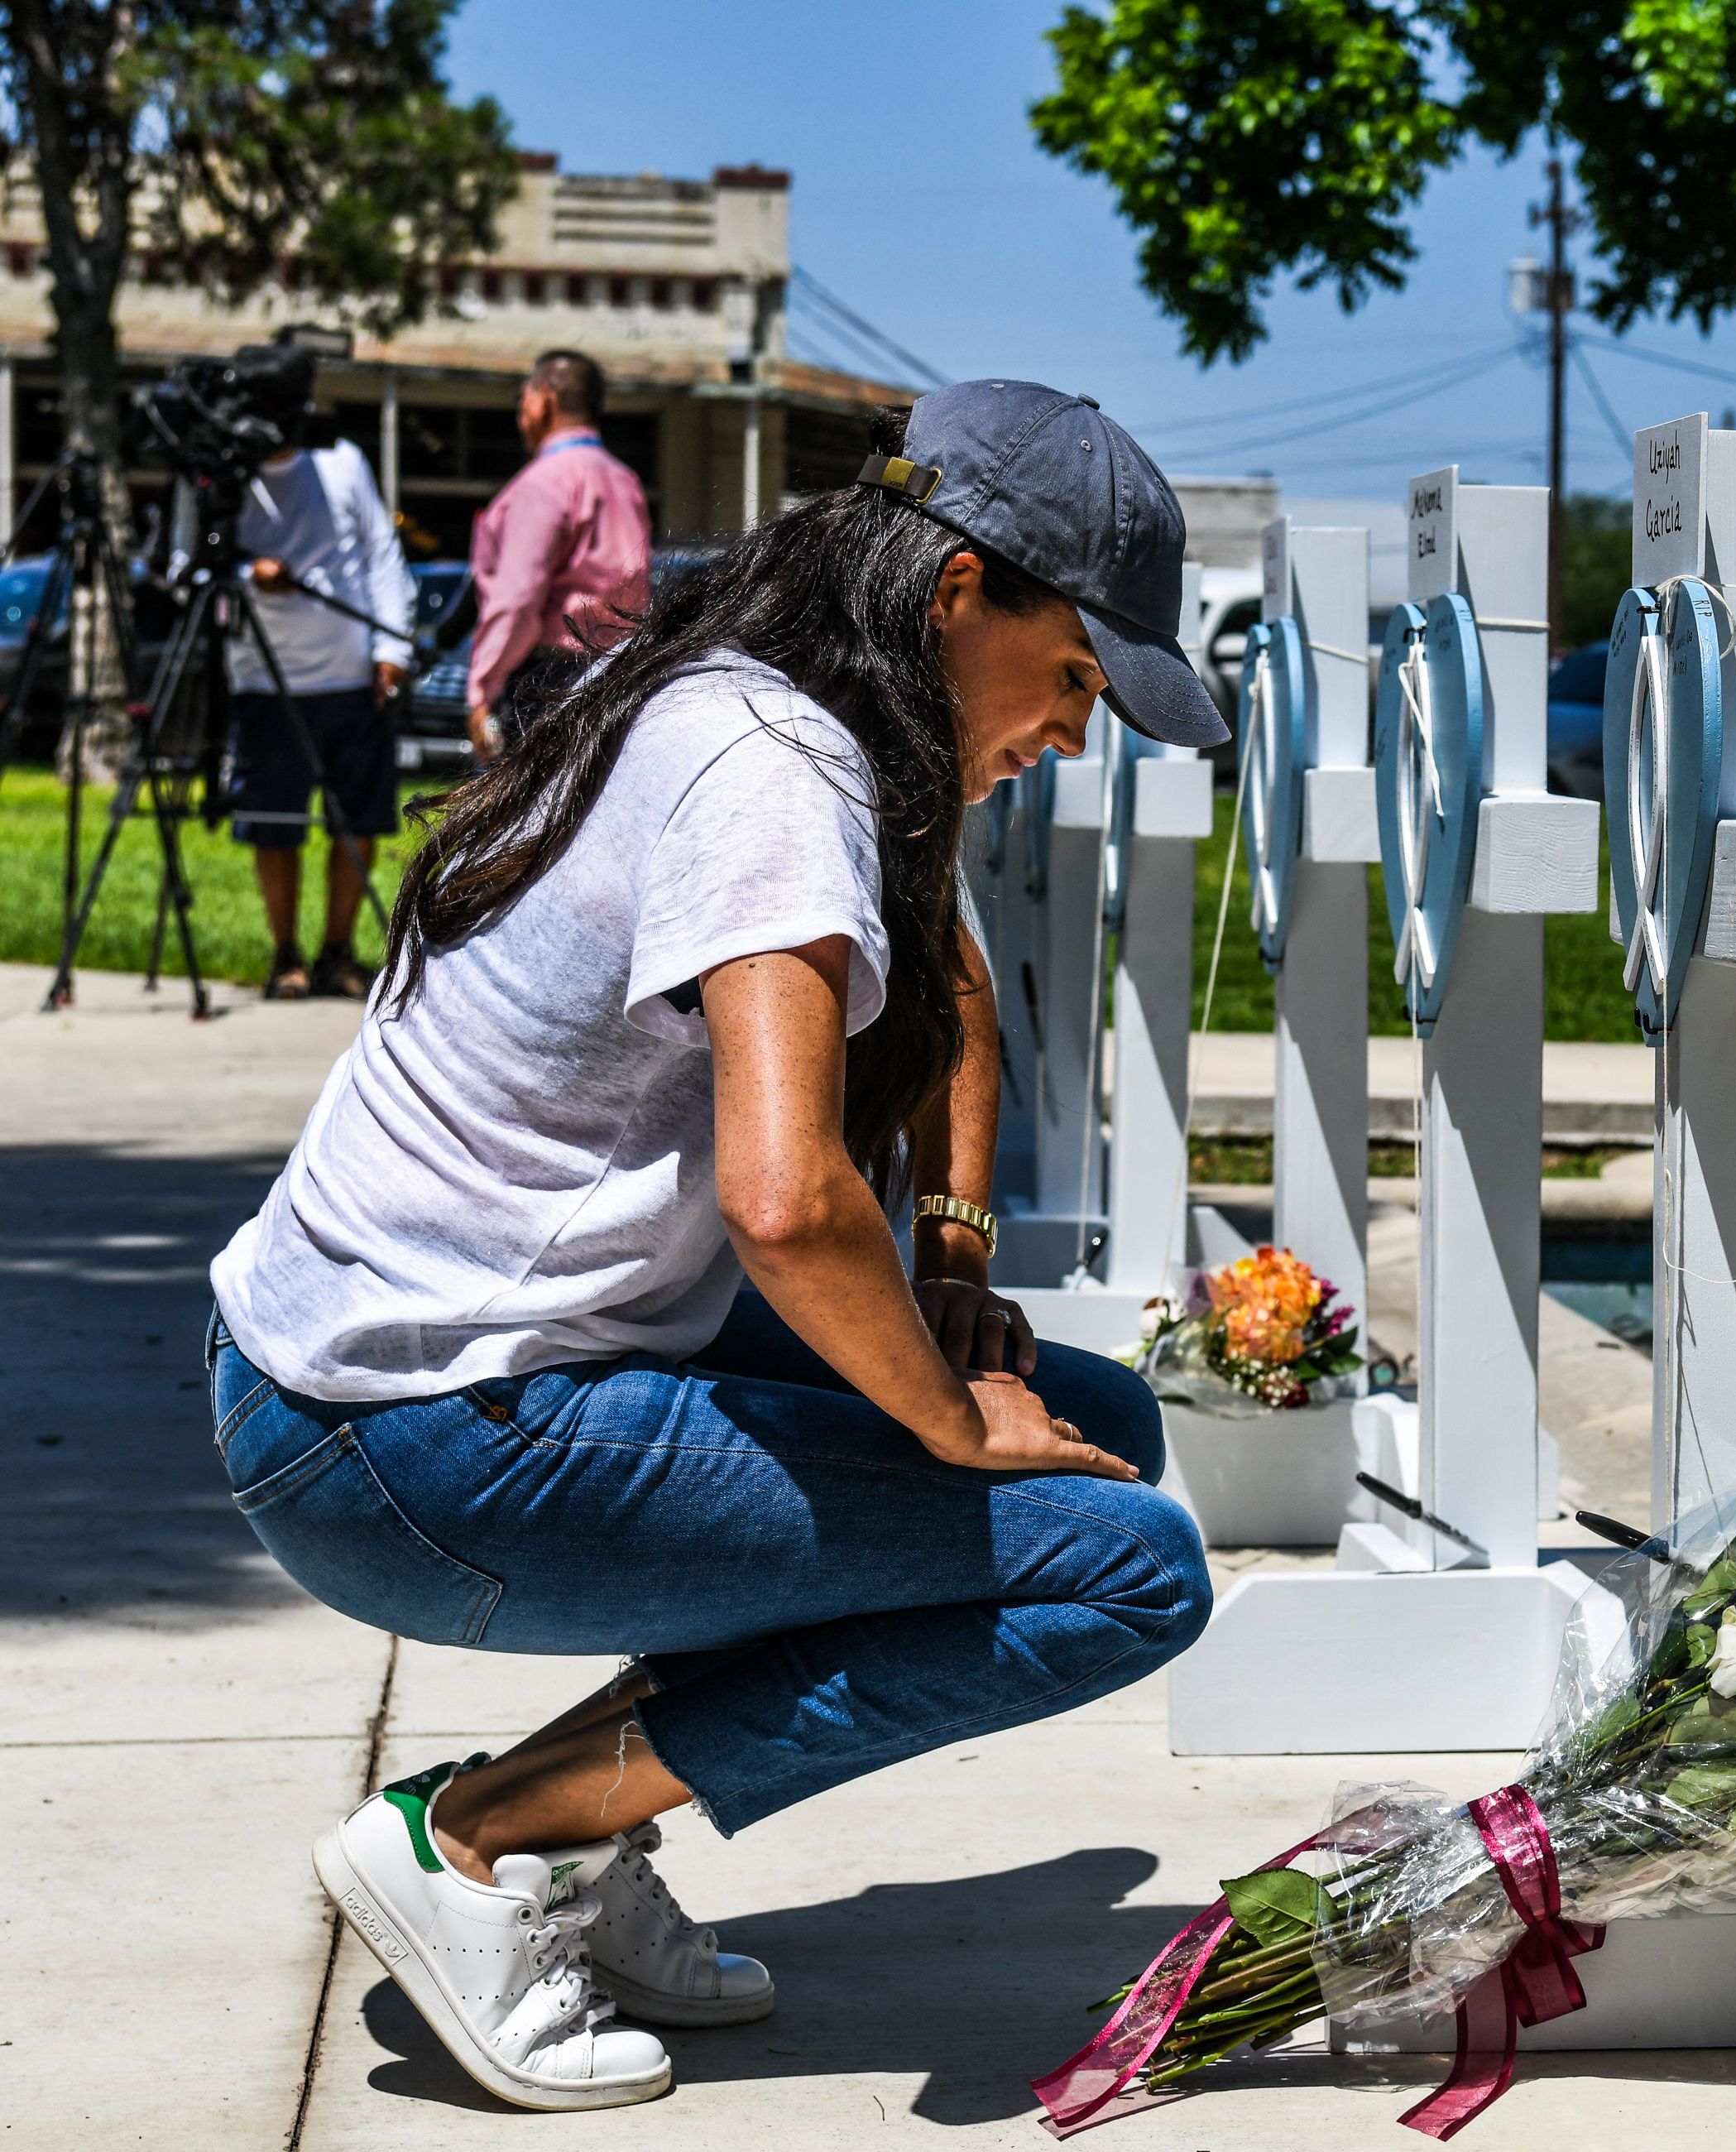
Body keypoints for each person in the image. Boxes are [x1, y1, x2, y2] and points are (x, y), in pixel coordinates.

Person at [207, 381, 1233, 2112]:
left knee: (1102, 1432)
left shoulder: (797, 701)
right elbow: (783, 1199)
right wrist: (939, 1415)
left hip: (434, 1367)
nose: (1076, 731)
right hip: (404, 1435)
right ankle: (480, 1836)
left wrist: (959, 1268)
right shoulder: (772, 769)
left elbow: (959, 992)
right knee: (1126, 1566)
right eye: (1074, 678)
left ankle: (581, 1844)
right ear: (960, 588)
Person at [201, 348, 418, 1001]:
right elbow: (191, 563)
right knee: (276, 824)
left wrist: (391, 649)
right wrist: (247, 573)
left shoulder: (342, 462)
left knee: (357, 822)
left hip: (352, 678)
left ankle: (337, 952)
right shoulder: (225, 474)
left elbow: (382, 551)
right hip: (265, 681)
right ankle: (285, 956)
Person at [466, 348, 652, 762]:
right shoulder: (625, 481)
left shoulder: (544, 482)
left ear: (545, 397)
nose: (521, 411)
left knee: (531, 820)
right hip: (619, 673)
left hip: (548, 679)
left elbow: (517, 599)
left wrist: (483, 689)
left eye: (524, 397)